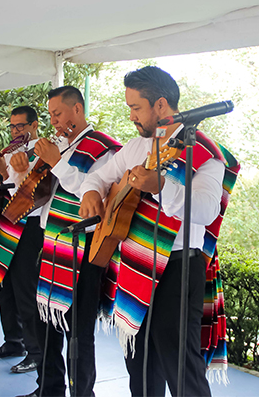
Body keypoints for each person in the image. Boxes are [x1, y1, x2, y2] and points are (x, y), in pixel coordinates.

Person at [79, 66, 239, 397]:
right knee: (139, 364)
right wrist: (92, 192)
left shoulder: (204, 151)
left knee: (180, 368)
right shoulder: (137, 147)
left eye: (136, 108)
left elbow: (208, 210)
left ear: (161, 105)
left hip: (179, 267)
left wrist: (162, 185)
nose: (132, 117)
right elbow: (99, 176)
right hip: (136, 264)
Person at [19, 86, 121, 397]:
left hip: (83, 249)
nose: (54, 121)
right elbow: (42, 197)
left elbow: (96, 197)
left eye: (58, 114)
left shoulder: (104, 148)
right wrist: (23, 173)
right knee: (44, 324)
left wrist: (58, 163)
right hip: (51, 242)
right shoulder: (62, 145)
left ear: (77, 109)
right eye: (50, 115)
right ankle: (48, 389)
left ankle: (82, 393)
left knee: (79, 331)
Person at [0, 106, 44, 374]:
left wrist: (6, 174)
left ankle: (36, 352)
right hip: (7, 223)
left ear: (34, 125)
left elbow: (30, 190)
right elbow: (5, 190)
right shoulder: (9, 152)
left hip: (31, 225)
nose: (16, 131)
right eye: (12, 127)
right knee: (4, 284)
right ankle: (13, 341)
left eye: (20, 126)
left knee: (25, 289)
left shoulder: (42, 150)